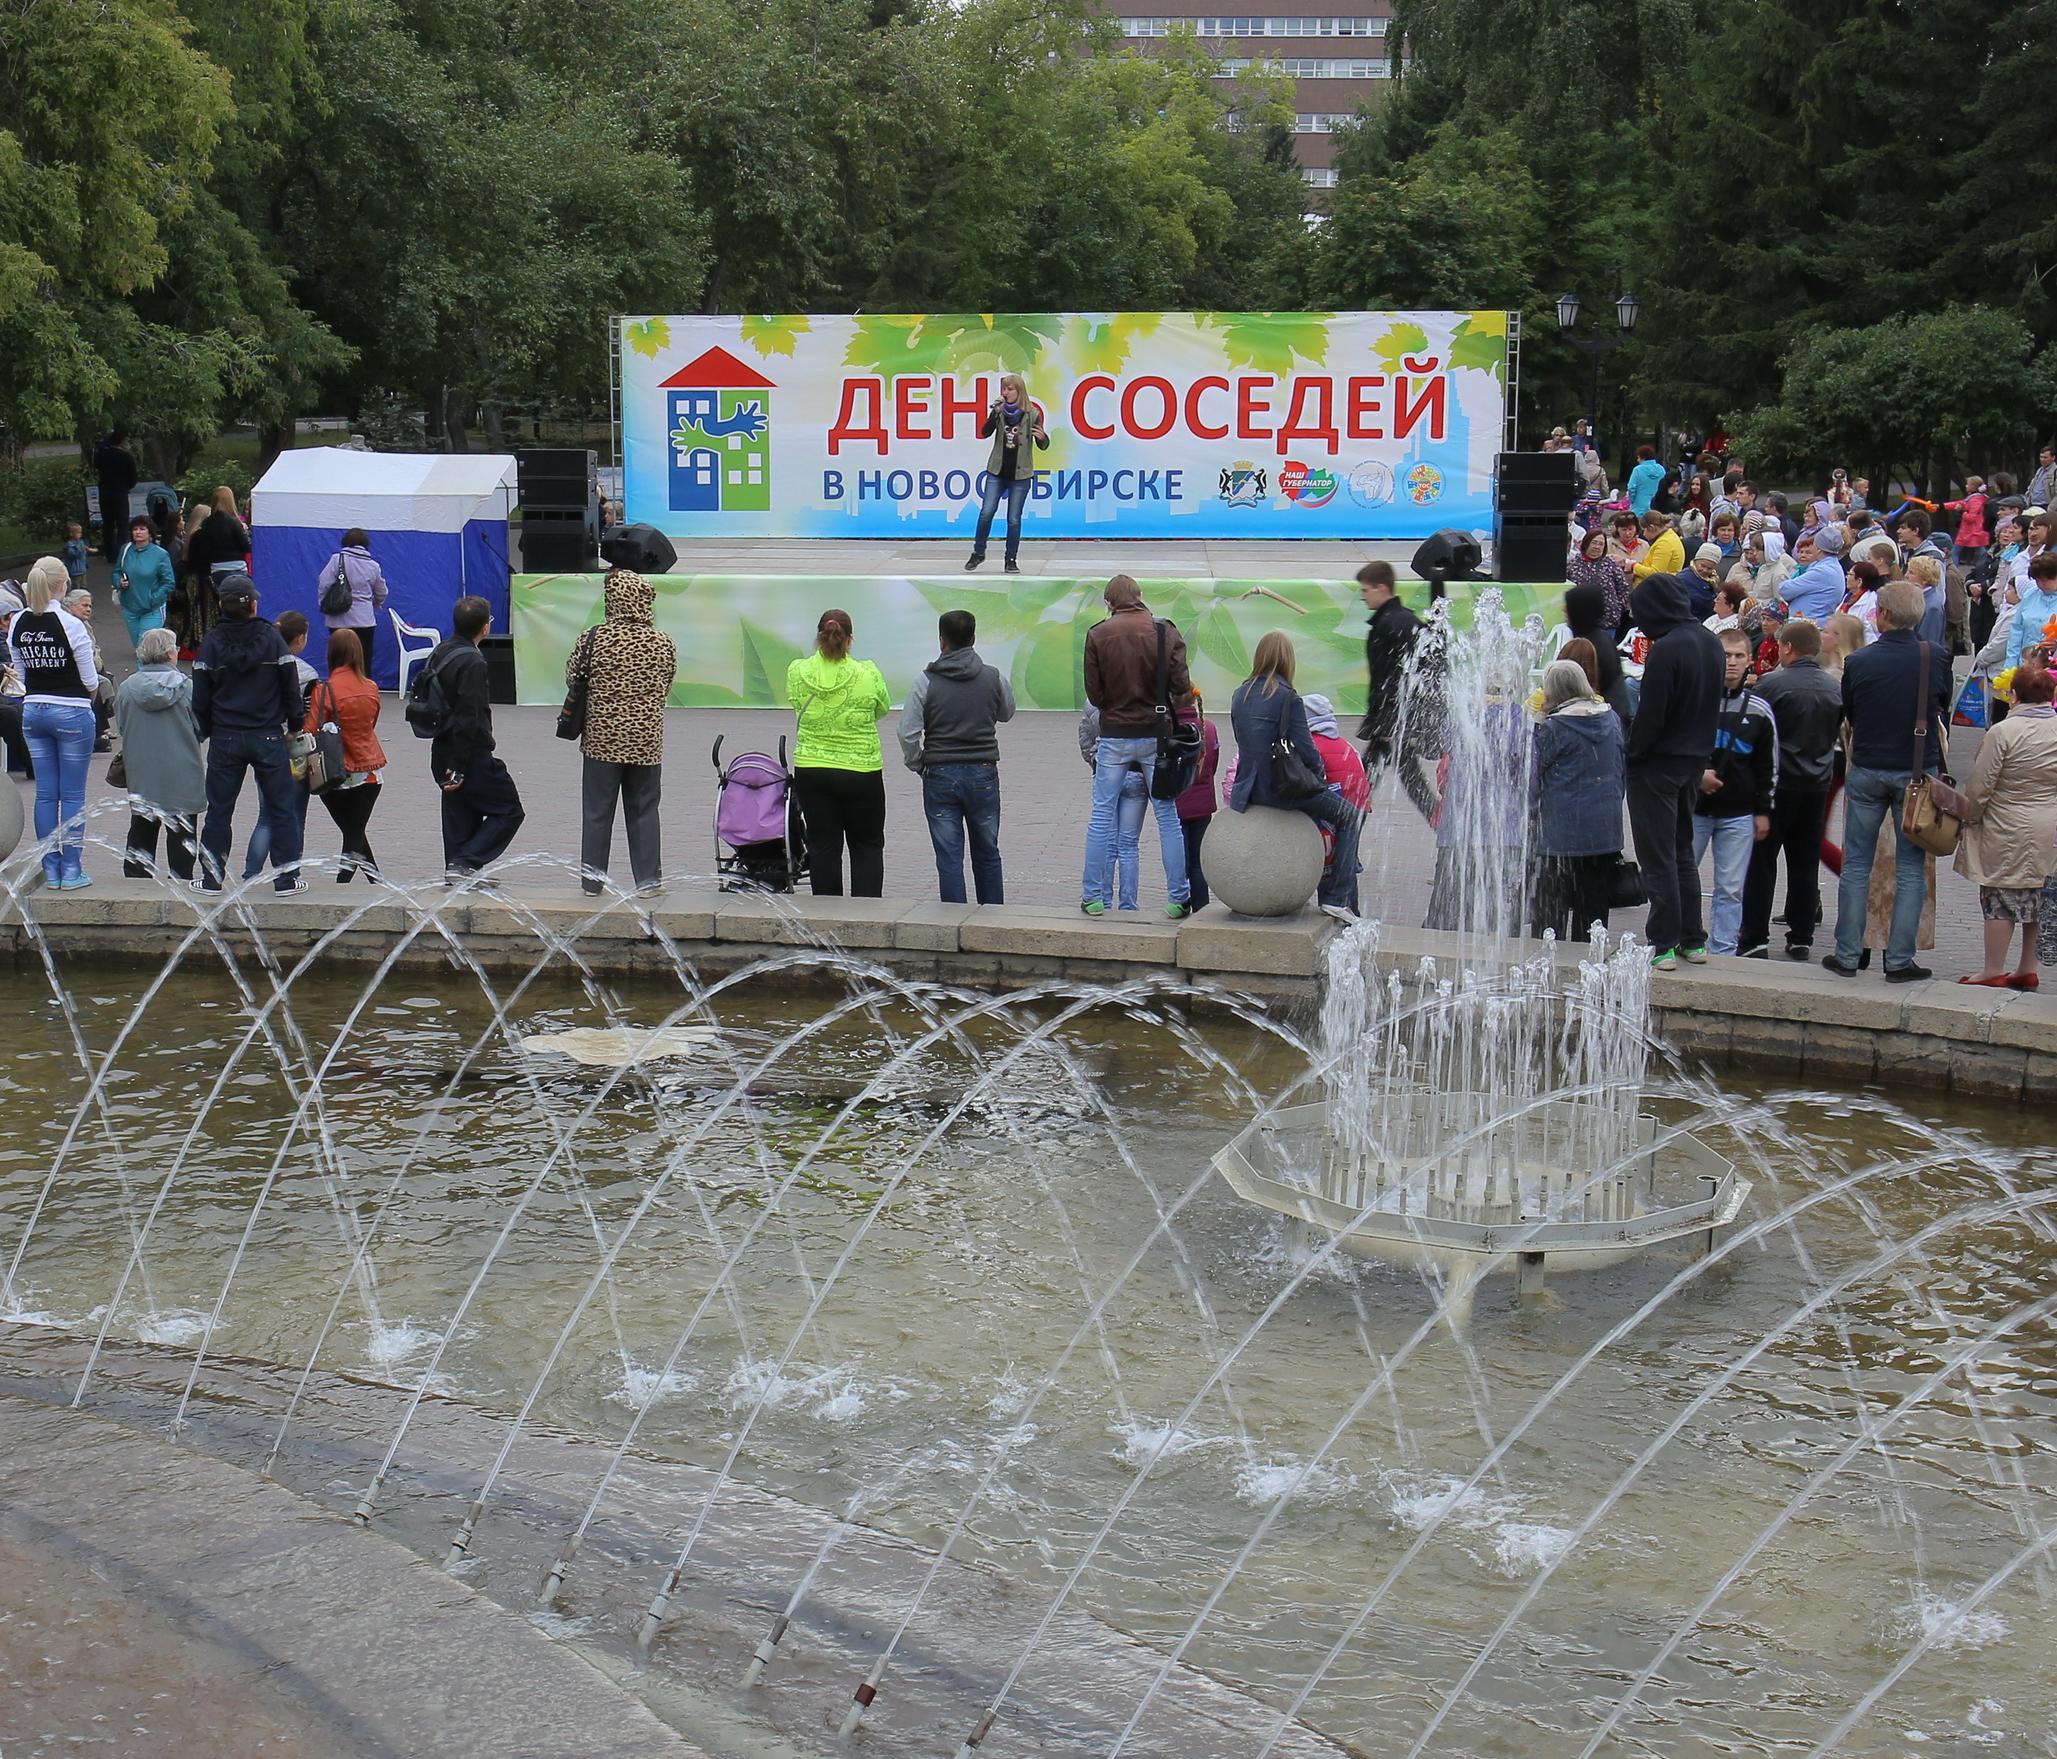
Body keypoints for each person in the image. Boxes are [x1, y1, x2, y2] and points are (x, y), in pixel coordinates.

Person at [1822, 580, 1950, 982]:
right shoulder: (1936, 657)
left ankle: (1846, 955)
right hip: (1916, 771)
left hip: (1867, 769)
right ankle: (1898, 961)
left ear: (1884, 615)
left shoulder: (1859, 662)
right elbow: (1940, 705)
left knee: (1857, 864)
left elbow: (1852, 713)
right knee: (1911, 869)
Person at [1623, 569, 1724, 970]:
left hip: (1658, 764)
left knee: (1657, 854)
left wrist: (1633, 751)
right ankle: (1692, 939)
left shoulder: (1667, 649)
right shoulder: (1709, 641)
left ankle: (1662, 942)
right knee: (1682, 850)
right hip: (1693, 760)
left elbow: (1652, 714)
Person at [1080, 574, 1192, 917]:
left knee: (1101, 815)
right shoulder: (1164, 631)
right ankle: (1178, 898)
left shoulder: (1098, 634)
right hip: (1157, 736)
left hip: (1114, 735)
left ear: (1109, 602)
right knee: (1167, 816)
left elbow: (1095, 695)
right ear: (1140, 596)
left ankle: (1093, 897)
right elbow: (1182, 686)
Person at [1228, 633, 1361, 913]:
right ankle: (1338, 898)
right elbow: (1307, 749)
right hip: (1280, 789)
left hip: (1248, 790)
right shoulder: (1288, 697)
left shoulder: (1239, 694)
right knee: (1349, 816)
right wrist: (1319, 778)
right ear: (1288, 660)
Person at [192, 573, 305, 894]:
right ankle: (285, 879)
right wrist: (294, 725)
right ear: (254, 605)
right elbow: (291, 688)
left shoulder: (211, 644)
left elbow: (199, 697)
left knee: (219, 810)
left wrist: (207, 729)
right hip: (268, 735)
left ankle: (212, 878)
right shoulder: (273, 640)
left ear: (220, 605)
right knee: (282, 809)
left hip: (226, 736)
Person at [568, 568, 676, 896]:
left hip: (602, 741)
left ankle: (591, 882)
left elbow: (573, 677)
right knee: (644, 809)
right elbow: (667, 683)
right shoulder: (662, 642)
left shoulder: (593, 637)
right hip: (645, 741)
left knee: (597, 811)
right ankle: (648, 882)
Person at [898, 607, 1016, 905]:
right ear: (974, 638)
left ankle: (954, 921)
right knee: (988, 851)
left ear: (942, 641)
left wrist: (917, 763)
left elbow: (907, 732)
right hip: (983, 772)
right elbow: (1007, 713)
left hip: (940, 774)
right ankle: (992, 919)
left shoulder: (925, 681)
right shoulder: (993, 677)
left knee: (949, 856)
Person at [1739, 618, 1840, 959]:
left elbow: (1754, 732)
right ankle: (1801, 935)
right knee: (1804, 862)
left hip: (1778, 784)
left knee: (1762, 862)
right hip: (1817, 784)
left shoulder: (1771, 684)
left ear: (1787, 648)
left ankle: (1754, 936)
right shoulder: (1834, 688)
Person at [1952, 662, 2057, 989]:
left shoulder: (2002, 732)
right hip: (2049, 826)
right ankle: (2028, 967)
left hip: (2006, 824)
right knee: (2039, 897)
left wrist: (1969, 816)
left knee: (2000, 896)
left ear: (2014, 695)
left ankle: (1993, 968)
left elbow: (1981, 786)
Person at [786, 607, 891, 897]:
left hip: (812, 769)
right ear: (849, 639)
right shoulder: (868, 672)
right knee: (867, 845)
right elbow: (880, 708)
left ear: (818, 636)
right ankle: (867, 916)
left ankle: (828, 917)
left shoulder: (798, 671)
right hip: (862, 771)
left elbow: (795, 703)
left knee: (822, 845)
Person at [8, 557, 99, 888]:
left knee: (46, 794)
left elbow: (20, 670)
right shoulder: (70, 624)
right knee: (72, 794)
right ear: (63, 586)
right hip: (71, 710)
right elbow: (90, 679)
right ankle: (72, 870)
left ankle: (51, 868)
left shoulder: (18, 621)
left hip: (33, 710)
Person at [418, 595, 523, 881]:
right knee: (510, 810)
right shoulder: (473, 661)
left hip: (440, 747)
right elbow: (469, 716)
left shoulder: (441, 651)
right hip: (468, 754)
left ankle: (459, 871)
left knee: (459, 815)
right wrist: (460, 765)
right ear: (485, 628)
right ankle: (465, 862)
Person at [1691, 627, 1776, 956]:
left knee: (1730, 887)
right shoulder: (1696, 701)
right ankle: (1681, 936)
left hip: (1738, 812)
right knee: (1683, 875)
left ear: (1750, 661)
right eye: (1726, 655)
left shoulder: (1759, 709)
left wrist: (1763, 810)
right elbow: (1676, 749)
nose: (1732, 662)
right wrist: (1696, 775)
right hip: (1695, 808)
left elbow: (1769, 764)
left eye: (1739, 656)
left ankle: (1723, 949)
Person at [1530, 658, 1624, 942]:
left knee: (1549, 919)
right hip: (1604, 835)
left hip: (1559, 838)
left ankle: (1547, 977)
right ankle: (1588, 979)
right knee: (1593, 918)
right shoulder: (1612, 719)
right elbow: (1621, 771)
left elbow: (1532, 779)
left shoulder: (1554, 728)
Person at [115, 626, 206, 882]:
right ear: (170, 654)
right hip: (183, 772)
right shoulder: (188, 688)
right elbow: (201, 729)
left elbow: (123, 727)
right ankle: (181, 886)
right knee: (182, 836)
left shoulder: (126, 688)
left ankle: (138, 888)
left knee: (141, 832)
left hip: (142, 772)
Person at [1357, 560, 1440, 823]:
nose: (1362, 596)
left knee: (1363, 784)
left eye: (1365, 590)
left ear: (1381, 588)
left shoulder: (1387, 626)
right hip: (1402, 718)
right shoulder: (1406, 620)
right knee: (1410, 779)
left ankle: (1345, 828)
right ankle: (1442, 822)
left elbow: (1386, 678)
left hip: (1392, 721)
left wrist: (1384, 723)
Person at [239, 609, 319, 883]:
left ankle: (250, 874)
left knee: (266, 816)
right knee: (294, 815)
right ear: (299, 639)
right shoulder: (306, 673)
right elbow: (311, 715)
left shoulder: (256, 665)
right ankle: (289, 873)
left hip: (263, 744)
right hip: (294, 750)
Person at [308, 628, 386, 882]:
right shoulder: (371, 687)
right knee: (355, 832)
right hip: (370, 771)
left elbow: (310, 730)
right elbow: (371, 723)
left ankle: (344, 884)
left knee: (352, 833)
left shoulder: (324, 689)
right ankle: (377, 883)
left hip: (335, 772)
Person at [963, 373, 1048, 575]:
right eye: (1004, 388)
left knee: (1014, 519)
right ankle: (978, 552)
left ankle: (1010, 559)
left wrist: (1043, 438)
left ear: (1019, 391)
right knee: (986, 512)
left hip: (1020, 474)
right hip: (997, 471)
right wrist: (994, 413)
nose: (1006, 392)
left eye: (1010, 389)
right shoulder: (1000, 412)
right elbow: (984, 432)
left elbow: (1042, 444)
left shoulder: (1032, 414)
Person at [1076, 703, 1151, 910]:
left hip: (1106, 769)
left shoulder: (1095, 700)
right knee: (1129, 845)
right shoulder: (1141, 693)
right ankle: (1128, 904)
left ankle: (1103, 900)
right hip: (1137, 773)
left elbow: (1084, 736)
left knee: (1107, 844)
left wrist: (1093, 761)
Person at [1301, 692, 1370, 912]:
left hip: (1336, 810)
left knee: (1330, 863)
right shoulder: (1343, 743)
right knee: (1346, 858)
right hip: (1359, 807)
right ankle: (1351, 910)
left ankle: (1333, 904)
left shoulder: (1313, 746)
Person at [317, 529, 390, 683]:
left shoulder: (337, 560)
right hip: (365, 621)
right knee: (363, 661)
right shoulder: (373, 566)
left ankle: (337, 692)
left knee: (338, 661)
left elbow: (324, 582)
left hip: (338, 621)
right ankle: (364, 693)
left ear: (345, 543)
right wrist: (376, 603)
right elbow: (382, 592)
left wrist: (324, 602)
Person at [1174, 691, 1219, 911]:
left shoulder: (1168, 729)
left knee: (1179, 860)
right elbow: (1213, 765)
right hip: (1203, 805)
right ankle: (1202, 908)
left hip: (1177, 806)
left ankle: (1180, 902)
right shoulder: (1208, 728)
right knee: (1198, 863)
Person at [1563, 580, 1631, 722]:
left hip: (1597, 722)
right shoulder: (1602, 638)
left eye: (1568, 606)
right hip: (1613, 720)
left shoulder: (1587, 647)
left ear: (1579, 611)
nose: (1563, 610)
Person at [113, 513, 176, 651]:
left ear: (150, 532)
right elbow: (117, 571)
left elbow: (169, 582)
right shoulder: (126, 550)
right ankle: (150, 671)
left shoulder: (160, 554)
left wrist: (153, 598)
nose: (138, 532)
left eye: (142, 529)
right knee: (139, 649)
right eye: (135, 529)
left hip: (152, 609)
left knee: (147, 648)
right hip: (130, 607)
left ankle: (151, 671)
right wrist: (119, 582)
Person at [2004, 551, 2057, 671]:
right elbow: (2016, 630)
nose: (2041, 584)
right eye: (2038, 580)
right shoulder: (2030, 595)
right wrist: (2010, 665)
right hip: (2026, 665)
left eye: (2046, 580)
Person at [1783, 527, 1846, 623]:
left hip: (1809, 626)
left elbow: (1785, 590)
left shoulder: (1822, 571)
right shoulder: (1832, 566)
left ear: (1818, 548)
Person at [93, 431, 138, 565]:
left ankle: (110, 554)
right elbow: (133, 478)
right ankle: (122, 553)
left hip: (105, 492)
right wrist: (126, 486)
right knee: (122, 524)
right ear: (122, 442)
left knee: (108, 524)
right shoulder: (126, 457)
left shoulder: (102, 455)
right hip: (121, 492)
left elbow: (95, 466)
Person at [1944, 476, 1991, 573]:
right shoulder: (1975, 498)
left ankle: (1954, 572)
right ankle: (1984, 570)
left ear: (1973, 487)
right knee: (1980, 552)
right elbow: (1959, 503)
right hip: (1973, 532)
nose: (1966, 486)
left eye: (1968, 484)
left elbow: (1971, 517)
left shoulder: (1974, 500)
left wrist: (1962, 512)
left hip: (1972, 532)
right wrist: (1941, 506)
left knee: (1957, 553)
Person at [1630, 511, 1684, 583]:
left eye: (1644, 530)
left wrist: (1633, 566)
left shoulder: (1664, 543)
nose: (1644, 534)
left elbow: (1655, 573)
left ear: (1651, 527)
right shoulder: (1669, 536)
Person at [1626, 445, 1665, 518]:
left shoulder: (1637, 470)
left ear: (1643, 457)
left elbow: (1631, 487)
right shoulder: (1661, 469)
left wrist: (1632, 500)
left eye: (1638, 457)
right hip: (1657, 505)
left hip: (1639, 506)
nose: (1637, 460)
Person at [2025, 443, 2055, 511]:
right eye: (2041, 457)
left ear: (2053, 457)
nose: (2042, 459)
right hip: (2033, 505)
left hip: (2046, 506)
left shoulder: (2055, 472)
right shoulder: (2040, 470)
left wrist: (2051, 508)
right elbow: (2032, 487)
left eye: (2045, 457)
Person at [62, 522, 89, 590]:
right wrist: (81, 550)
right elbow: (73, 555)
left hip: (82, 569)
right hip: (74, 570)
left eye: (80, 532)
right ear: (71, 534)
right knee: (76, 586)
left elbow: (83, 556)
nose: (80, 534)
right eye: (78, 533)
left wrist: (85, 563)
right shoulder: (70, 545)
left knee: (83, 585)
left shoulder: (81, 542)